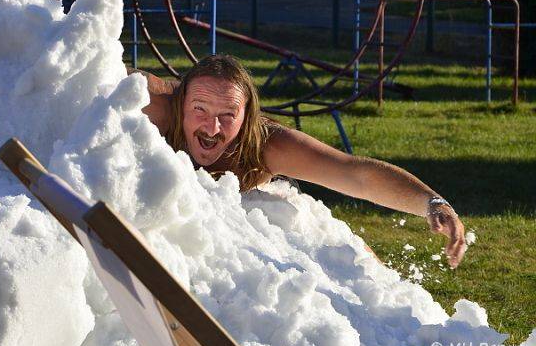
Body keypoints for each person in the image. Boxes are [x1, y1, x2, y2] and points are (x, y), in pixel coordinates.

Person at [130, 54, 467, 268]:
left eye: (228, 115)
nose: (212, 127)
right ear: (181, 103)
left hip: (256, 219)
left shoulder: (267, 145)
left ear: (247, 117)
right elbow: (100, 61)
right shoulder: (154, 105)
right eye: (199, 109)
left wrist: (432, 203)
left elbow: (356, 175)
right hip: (163, 229)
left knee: (363, 265)